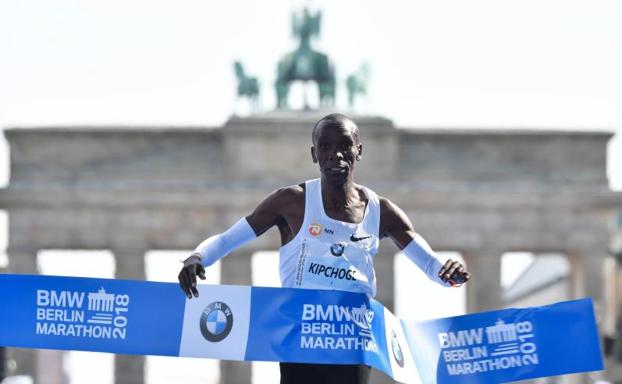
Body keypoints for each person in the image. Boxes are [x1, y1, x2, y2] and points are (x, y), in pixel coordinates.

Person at [178, 113, 471, 384]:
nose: (336, 155)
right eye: (326, 146)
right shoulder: (291, 201)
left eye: (345, 146)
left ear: (359, 150)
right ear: (314, 153)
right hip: (300, 336)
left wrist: (450, 273)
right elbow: (228, 239)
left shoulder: (383, 211)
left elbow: (433, 267)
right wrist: (198, 257)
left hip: (352, 338)